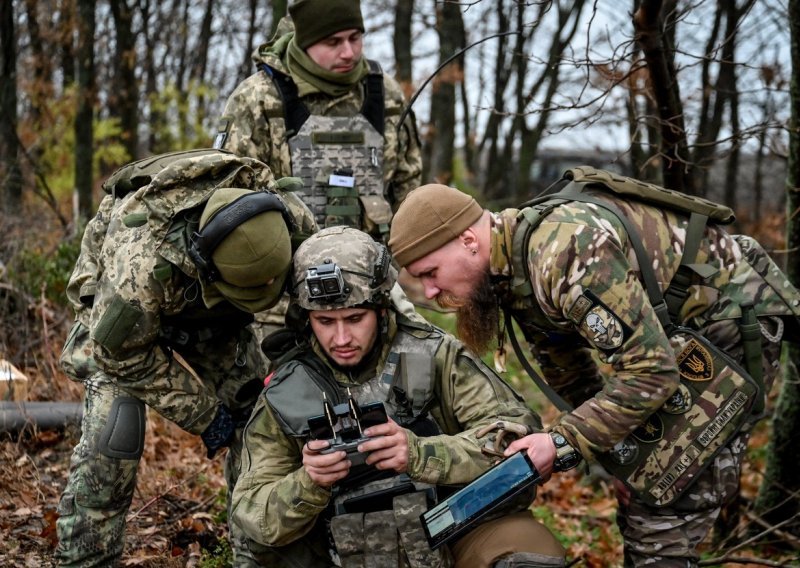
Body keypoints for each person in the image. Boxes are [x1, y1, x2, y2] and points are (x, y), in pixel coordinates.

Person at [387, 173, 800, 567]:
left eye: (431, 273)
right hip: (673, 343)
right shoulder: (510, 272)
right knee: (641, 486)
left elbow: (651, 372)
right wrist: (614, 454)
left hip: (727, 320)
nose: (430, 292)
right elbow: (569, 372)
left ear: (468, 240)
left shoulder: (563, 253)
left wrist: (563, 442)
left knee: (661, 514)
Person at [230, 226, 566, 568]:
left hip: (455, 535)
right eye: (325, 321)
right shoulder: (286, 390)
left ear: (382, 308)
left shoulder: (434, 356)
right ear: (307, 319)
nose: (342, 337)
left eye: (355, 318)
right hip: (339, 555)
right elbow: (252, 513)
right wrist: (310, 482)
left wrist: (421, 453)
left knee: (529, 558)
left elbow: (518, 437)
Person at [54, 149, 316, 567]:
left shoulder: (291, 220)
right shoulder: (137, 266)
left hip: (216, 314)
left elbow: (326, 300)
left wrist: (292, 365)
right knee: (114, 435)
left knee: (262, 419)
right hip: (128, 326)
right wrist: (207, 417)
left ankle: (260, 550)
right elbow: (121, 355)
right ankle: (87, 558)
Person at [214, 0, 421, 240]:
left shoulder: (385, 93)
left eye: (354, 38)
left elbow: (409, 187)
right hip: (285, 265)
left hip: (377, 263)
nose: (348, 53)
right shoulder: (257, 98)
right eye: (333, 42)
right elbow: (230, 198)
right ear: (305, 43)